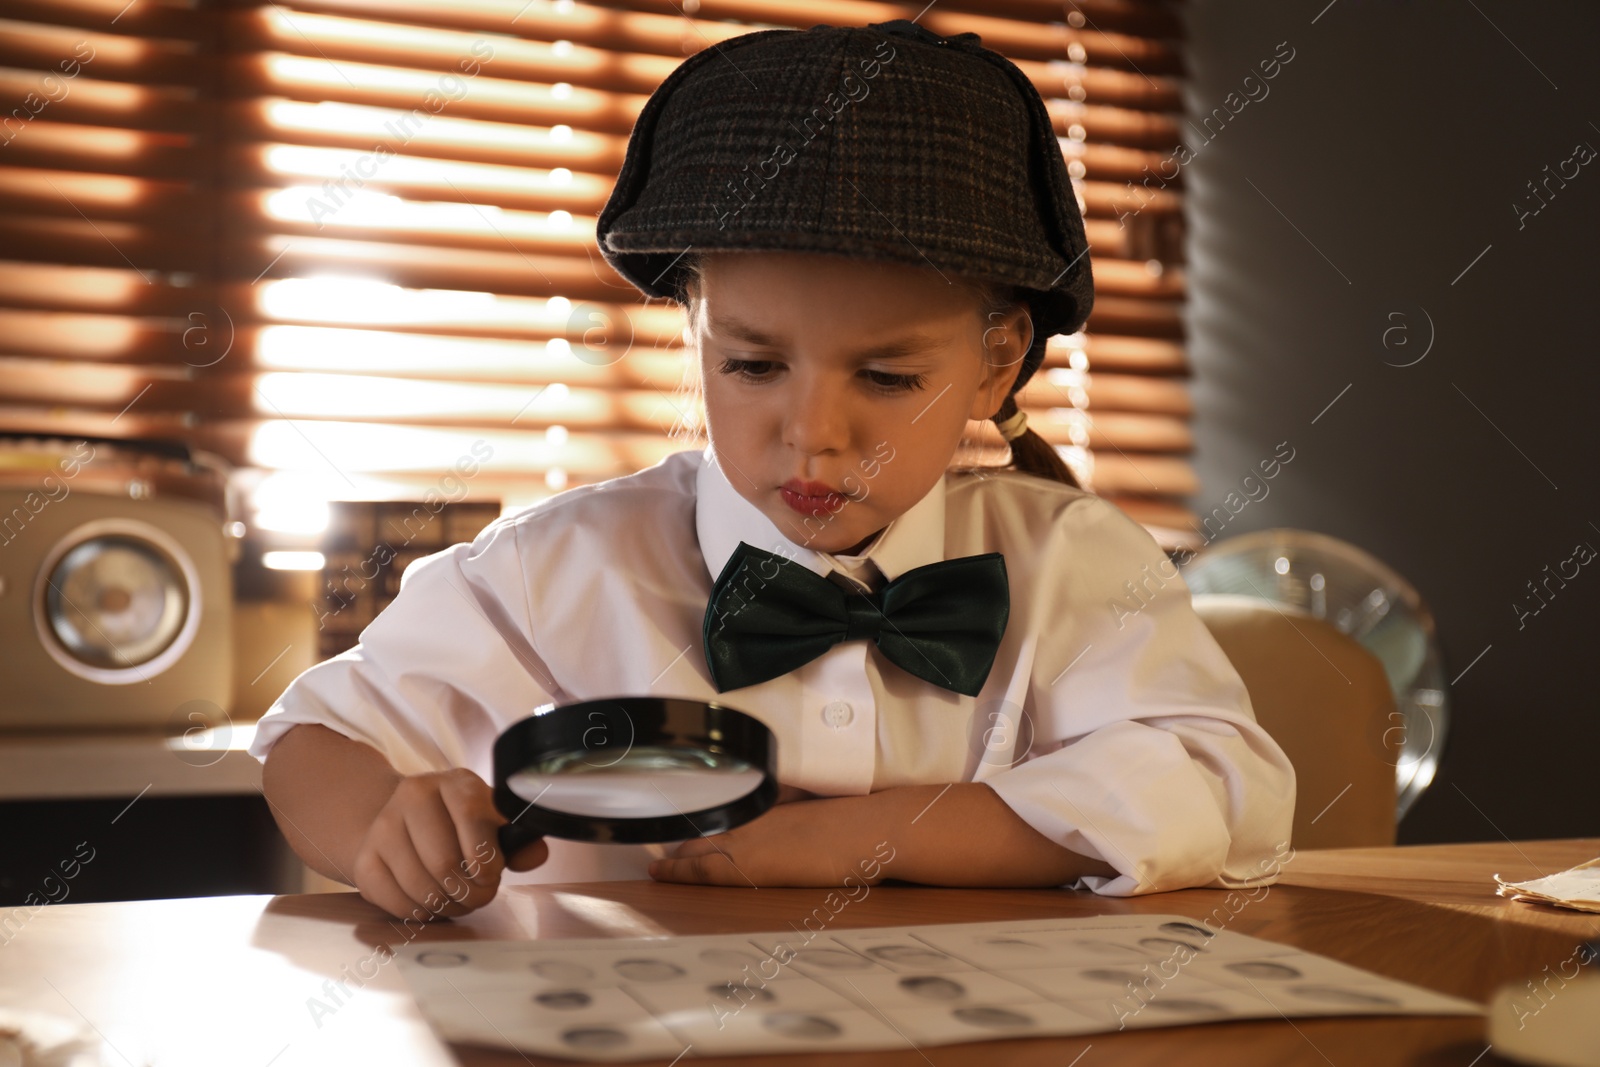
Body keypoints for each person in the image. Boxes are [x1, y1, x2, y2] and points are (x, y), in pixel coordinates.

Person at [250, 19, 1296, 923]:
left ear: (995, 361)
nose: (813, 438)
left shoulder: (1071, 559)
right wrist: (384, 831)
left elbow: (1225, 784)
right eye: (752, 365)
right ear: (696, 334)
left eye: (885, 374)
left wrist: (878, 833)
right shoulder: (560, 567)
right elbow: (313, 737)